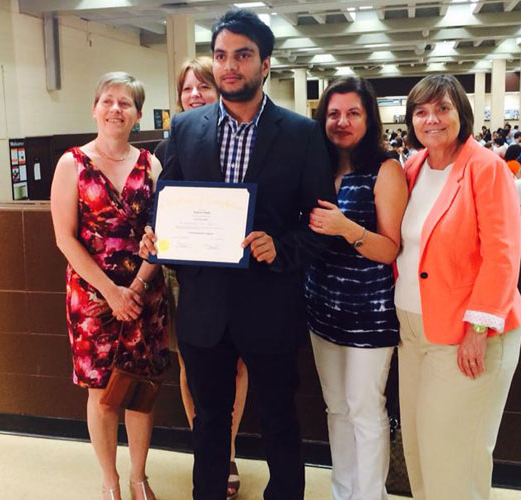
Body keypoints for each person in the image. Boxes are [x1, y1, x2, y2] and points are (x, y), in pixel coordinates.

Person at [141, 9, 335, 500]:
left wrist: (280, 246)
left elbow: (320, 225)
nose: (230, 66)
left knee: (279, 420)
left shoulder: (301, 134)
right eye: (221, 55)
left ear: (265, 64)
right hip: (205, 306)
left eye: (243, 55)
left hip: (271, 303)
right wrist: (155, 235)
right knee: (209, 422)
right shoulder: (186, 128)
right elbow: (165, 202)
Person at [396, 75, 521, 500]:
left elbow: (502, 254)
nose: (431, 119)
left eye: (442, 108)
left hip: (466, 333)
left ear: (461, 113)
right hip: (413, 330)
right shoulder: (413, 167)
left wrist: (478, 329)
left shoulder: (485, 167)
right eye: (421, 111)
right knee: (418, 451)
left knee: (454, 459)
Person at [50, 72, 169, 500]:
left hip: (144, 293)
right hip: (92, 297)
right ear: (94, 109)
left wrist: (134, 288)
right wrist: (112, 293)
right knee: (101, 391)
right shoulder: (71, 164)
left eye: (126, 103)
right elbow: (65, 238)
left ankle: (138, 476)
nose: (115, 109)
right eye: (108, 101)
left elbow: (162, 234)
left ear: (138, 115)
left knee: (140, 389)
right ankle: (110, 480)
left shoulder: (151, 164)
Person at [305, 77, 407, 500]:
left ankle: (369, 495)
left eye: (353, 113)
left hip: (371, 314)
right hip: (321, 308)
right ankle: (343, 491)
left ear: (369, 119)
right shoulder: (316, 167)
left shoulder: (386, 169)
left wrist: (346, 228)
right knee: (336, 408)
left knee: (365, 409)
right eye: (333, 113)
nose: (342, 121)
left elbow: (390, 248)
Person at [152, 56, 248, 500]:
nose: (194, 95)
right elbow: (163, 206)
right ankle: (207, 450)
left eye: (203, 86)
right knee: (192, 367)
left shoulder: (241, 136)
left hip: (238, 274)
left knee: (237, 365)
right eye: (187, 89)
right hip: (185, 276)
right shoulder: (169, 145)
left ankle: (227, 451)